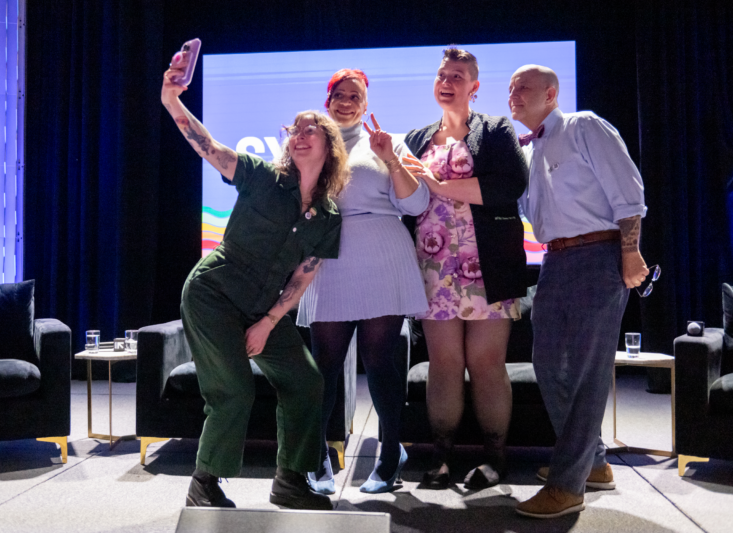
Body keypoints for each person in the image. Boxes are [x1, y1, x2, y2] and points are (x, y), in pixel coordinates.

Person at [161, 52, 350, 510]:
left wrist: (268, 322)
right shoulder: (262, 177)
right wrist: (171, 99)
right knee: (233, 391)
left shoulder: (327, 216)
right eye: (295, 128)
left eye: (311, 128)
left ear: (329, 145)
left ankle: (290, 481)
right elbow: (206, 145)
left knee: (306, 382)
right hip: (213, 295)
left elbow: (302, 277)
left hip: (266, 306)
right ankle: (204, 483)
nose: (299, 135)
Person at [509, 65, 649, 518]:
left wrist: (631, 252)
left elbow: (628, 194)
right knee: (548, 364)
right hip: (555, 261)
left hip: (599, 255)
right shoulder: (528, 150)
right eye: (510, 89)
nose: (513, 94)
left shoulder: (584, 126)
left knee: (588, 370)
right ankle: (595, 464)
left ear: (551, 94)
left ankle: (567, 486)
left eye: (523, 88)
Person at [401, 47, 528, 490]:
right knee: (444, 363)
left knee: (487, 362)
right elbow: (405, 200)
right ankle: (440, 459)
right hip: (433, 266)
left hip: (487, 265)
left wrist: (439, 184)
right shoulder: (416, 138)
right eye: (441, 74)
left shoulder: (494, 129)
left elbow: (512, 184)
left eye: (457, 75)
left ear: (474, 86)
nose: (447, 81)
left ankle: (495, 460)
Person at [297, 69, 429, 494]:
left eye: (355, 95)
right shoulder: (311, 142)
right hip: (329, 259)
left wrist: (390, 157)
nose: (347, 101)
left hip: (382, 253)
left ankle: (391, 453)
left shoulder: (386, 142)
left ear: (366, 104)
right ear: (328, 100)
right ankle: (316, 456)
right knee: (325, 367)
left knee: (380, 362)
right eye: (339, 94)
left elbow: (417, 203)